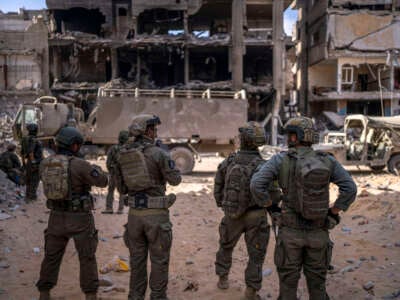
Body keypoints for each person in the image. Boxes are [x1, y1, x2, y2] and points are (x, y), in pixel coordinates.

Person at [250, 117, 357, 300]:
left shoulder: (280, 160)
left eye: (289, 135)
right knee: (317, 285)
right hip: (319, 232)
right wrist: (333, 213)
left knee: (288, 285)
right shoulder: (327, 160)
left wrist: (272, 208)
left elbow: (256, 184)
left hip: (289, 234)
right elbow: (350, 188)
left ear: (294, 137)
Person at [36, 127, 108, 300]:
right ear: (74, 146)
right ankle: (90, 295)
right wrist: (95, 168)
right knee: (87, 257)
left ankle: (44, 293)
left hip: (55, 217)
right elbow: (103, 181)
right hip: (80, 219)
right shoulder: (80, 165)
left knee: (51, 257)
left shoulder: (45, 163)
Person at [115, 114, 181, 300]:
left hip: (134, 216)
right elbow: (175, 179)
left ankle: (135, 296)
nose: (155, 132)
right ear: (149, 131)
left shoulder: (123, 154)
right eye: (154, 129)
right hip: (156, 217)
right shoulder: (158, 153)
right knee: (159, 260)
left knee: (137, 261)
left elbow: (121, 188)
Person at [214, 122, 277, 300]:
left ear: (243, 140)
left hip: (232, 215)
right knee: (256, 255)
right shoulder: (265, 165)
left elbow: (218, 185)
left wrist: (223, 204)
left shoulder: (229, 161)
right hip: (257, 216)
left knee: (225, 246)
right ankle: (251, 291)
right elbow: (272, 193)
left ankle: (222, 278)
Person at [102, 130, 129, 214]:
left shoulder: (113, 148)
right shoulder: (128, 149)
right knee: (122, 191)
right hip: (123, 173)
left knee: (110, 190)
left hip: (114, 172)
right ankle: (120, 209)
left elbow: (108, 162)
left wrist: (111, 170)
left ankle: (109, 208)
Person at [20, 123, 43, 202]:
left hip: (28, 162)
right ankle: (31, 197)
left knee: (29, 179)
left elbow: (22, 153)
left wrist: (24, 163)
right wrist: (34, 163)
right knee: (35, 180)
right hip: (35, 162)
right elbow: (31, 152)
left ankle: (27, 196)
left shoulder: (24, 139)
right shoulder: (34, 140)